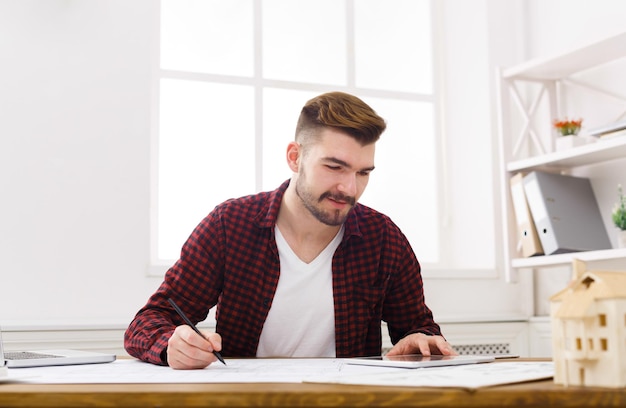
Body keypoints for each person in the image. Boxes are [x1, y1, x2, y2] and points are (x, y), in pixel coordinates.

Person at [124, 91, 455, 369]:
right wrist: (171, 344)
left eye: (363, 172)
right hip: (248, 402)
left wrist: (420, 341)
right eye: (334, 166)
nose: (349, 188)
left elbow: (417, 329)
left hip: (347, 402)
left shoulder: (383, 239)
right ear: (295, 158)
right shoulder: (230, 225)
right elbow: (148, 321)